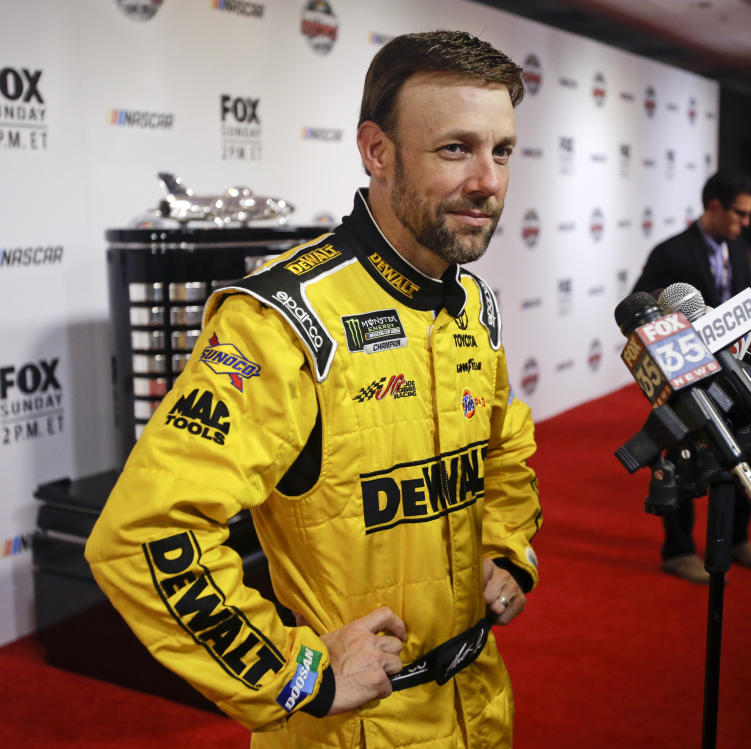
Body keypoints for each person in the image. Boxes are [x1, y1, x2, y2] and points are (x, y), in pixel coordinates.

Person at [85, 30, 542, 748]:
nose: (488, 180)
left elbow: (504, 451)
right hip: (350, 728)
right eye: (455, 149)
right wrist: (298, 675)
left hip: (477, 700)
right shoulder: (281, 322)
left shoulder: (469, 303)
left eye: (502, 150)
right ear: (377, 151)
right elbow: (145, 533)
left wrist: (509, 548)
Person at [631, 169, 751, 584]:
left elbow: (740, 298)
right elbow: (642, 303)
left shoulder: (739, 246)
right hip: (686, 378)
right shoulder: (671, 251)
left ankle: (737, 540)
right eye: (739, 214)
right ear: (714, 207)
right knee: (684, 460)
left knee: (743, 450)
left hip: (733, 371)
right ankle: (678, 550)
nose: (745, 223)